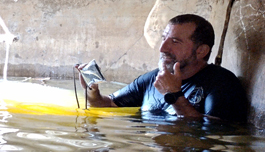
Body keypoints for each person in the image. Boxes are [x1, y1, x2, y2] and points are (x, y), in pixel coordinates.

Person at [78, 14, 248, 123]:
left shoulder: (222, 83)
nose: (163, 48)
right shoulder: (153, 79)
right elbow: (107, 104)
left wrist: (174, 95)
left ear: (201, 51)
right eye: (164, 38)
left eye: (175, 41)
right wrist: (92, 90)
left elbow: (214, 132)